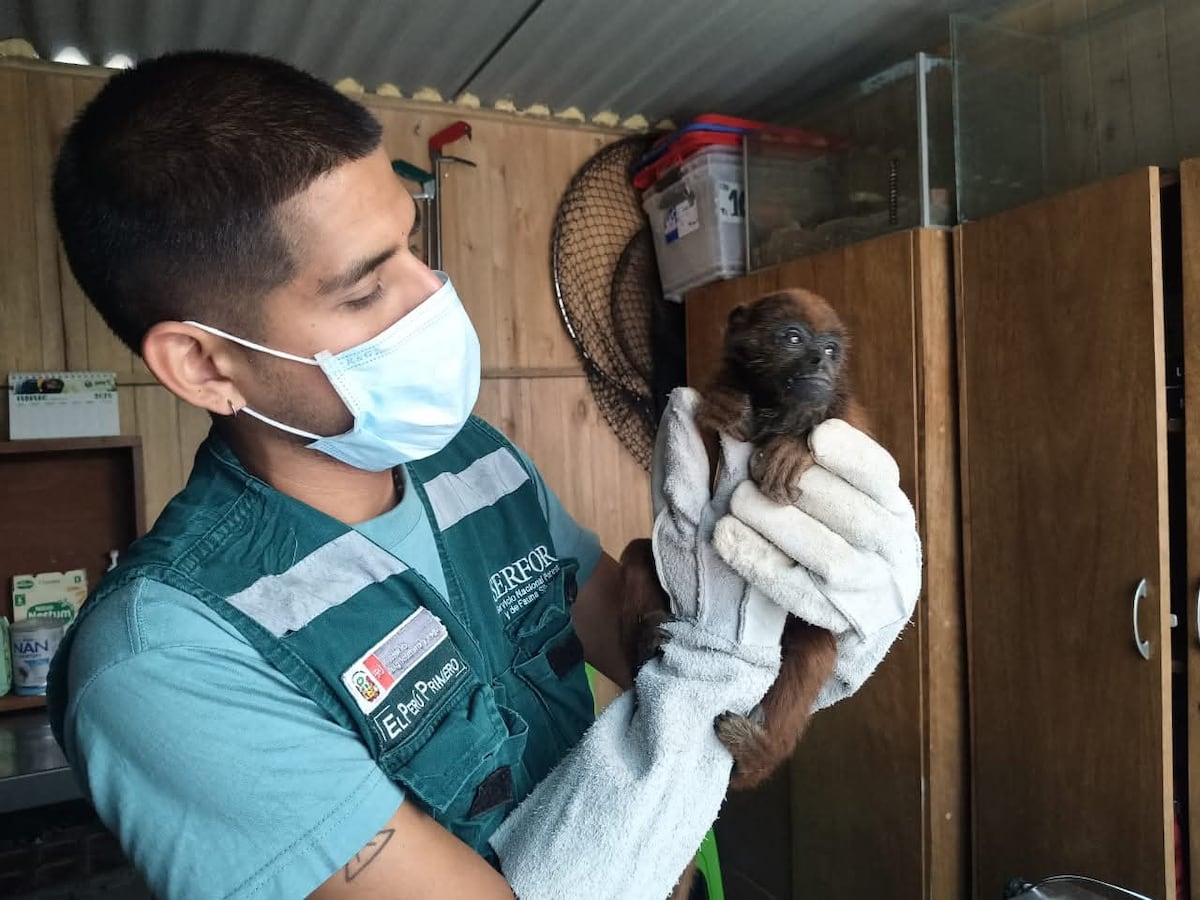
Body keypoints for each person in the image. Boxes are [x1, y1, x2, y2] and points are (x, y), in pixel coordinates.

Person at [45, 50, 922, 900]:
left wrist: (818, 643)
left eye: (411, 246)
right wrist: (717, 665)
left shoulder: (472, 461)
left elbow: (648, 647)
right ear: (203, 365)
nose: (431, 296)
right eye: (363, 290)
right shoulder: (168, 666)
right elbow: (695, 676)